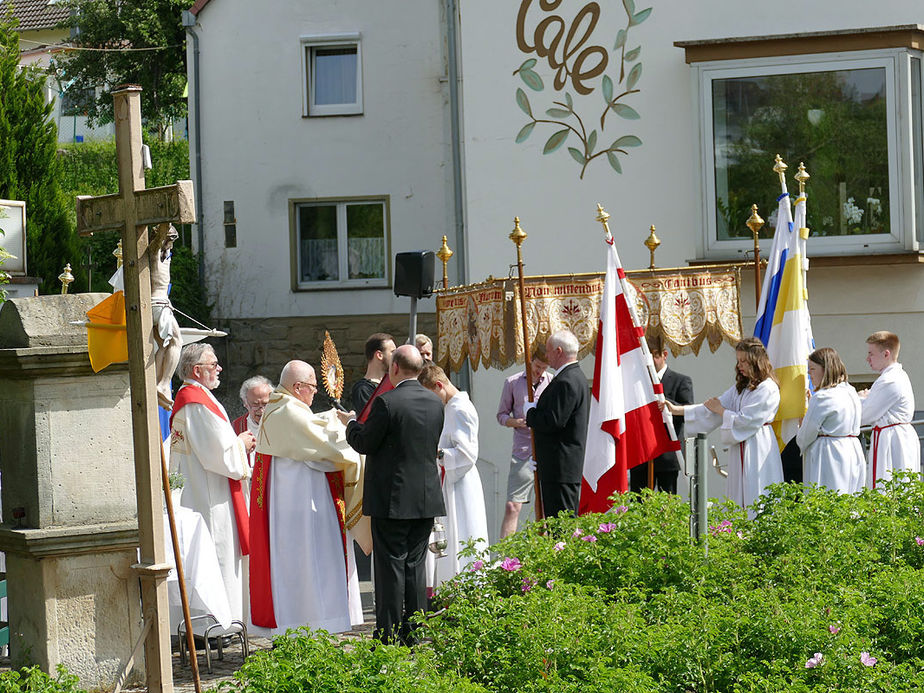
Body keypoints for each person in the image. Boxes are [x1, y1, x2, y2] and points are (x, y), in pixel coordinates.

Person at [339, 345, 445, 645]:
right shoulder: (435, 402)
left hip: (392, 498)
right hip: (425, 497)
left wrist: (349, 424)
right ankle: (414, 633)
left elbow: (365, 443)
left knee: (390, 569)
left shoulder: (387, 402)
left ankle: (387, 634)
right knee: (415, 566)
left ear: (394, 369)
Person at [249, 360, 363, 635]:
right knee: (310, 561)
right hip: (300, 504)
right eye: (312, 387)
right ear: (298, 387)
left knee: (303, 562)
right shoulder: (287, 410)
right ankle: (312, 622)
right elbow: (323, 445)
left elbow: (310, 425)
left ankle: (308, 622)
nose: (314, 392)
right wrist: (354, 432)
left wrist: (331, 417)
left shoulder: (281, 405)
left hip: (294, 500)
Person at [169, 343, 255, 623]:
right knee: (217, 555)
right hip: (211, 495)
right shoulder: (196, 402)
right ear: (197, 370)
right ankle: (218, 623)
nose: (219, 369)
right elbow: (217, 454)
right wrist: (240, 444)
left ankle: (218, 621)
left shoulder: (194, 397)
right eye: (214, 364)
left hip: (204, 488)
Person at [665, 337, 783, 512]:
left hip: (758, 445)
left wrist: (721, 411)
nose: (740, 365)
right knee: (738, 495)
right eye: (738, 361)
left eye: (744, 361)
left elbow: (746, 420)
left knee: (757, 491)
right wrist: (677, 410)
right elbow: (711, 408)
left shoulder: (767, 388)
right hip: (740, 447)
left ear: (756, 361)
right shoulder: (741, 388)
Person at [418, 364, 488, 587]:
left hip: (460, 481)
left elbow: (467, 454)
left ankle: (466, 588)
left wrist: (436, 453)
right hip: (450, 479)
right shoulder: (450, 406)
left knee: (463, 533)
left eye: (431, 395)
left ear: (439, 385)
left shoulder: (460, 409)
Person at [524, 330, 590, 519]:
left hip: (560, 469)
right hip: (557, 466)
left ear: (559, 351)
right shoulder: (573, 377)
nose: (547, 355)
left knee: (561, 529)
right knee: (560, 526)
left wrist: (531, 412)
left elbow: (553, 421)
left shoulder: (566, 381)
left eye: (548, 351)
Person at [496, 345, 552, 538]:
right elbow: (501, 415)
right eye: (537, 366)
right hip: (522, 450)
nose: (539, 371)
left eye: (544, 368)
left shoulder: (552, 382)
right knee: (513, 506)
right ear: (530, 361)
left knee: (544, 509)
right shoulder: (512, 382)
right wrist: (516, 422)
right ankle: (505, 557)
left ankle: (544, 553)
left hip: (545, 449)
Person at [629, 335, 693, 495]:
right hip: (642, 454)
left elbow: (688, 411)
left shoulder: (681, 380)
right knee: (639, 503)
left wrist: (666, 403)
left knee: (668, 505)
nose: (650, 361)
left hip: (667, 455)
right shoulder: (638, 383)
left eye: (654, 356)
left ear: (664, 355)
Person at [796, 347, 865, 494]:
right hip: (853, 451)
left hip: (829, 455)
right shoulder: (850, 391)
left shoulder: (822, 397)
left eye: (812, 369)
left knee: (829, 500)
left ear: (825, 369)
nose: (809, 373)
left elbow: (804, 437)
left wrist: (802, 419)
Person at [859, 331, 920, 488]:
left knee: (890, 487)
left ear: (886, 354)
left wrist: (861, 398)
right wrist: (865, 399)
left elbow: (864, 415)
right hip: (894, 437)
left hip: (893, 441)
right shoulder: (895, 376)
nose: (867, 359)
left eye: (871, 354)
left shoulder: (889, 380)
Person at [151, 224, 182, 410]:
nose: (172, 244)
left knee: (163, 345)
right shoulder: (155, 250)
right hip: (159, 306)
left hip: (156, 305)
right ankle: (165, 382)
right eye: (171, 239)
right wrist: (165, 219)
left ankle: (155, 383)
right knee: (177, 341)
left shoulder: (161, 253)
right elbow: (160, 236)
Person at [232, 375, 274, 501]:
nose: (261, 411)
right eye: (255, 405)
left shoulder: (281, 425)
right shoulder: (235, 427)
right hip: (248, 489)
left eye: (265, 404)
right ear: (245, 403)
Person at [349, 333, 396, 413]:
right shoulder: (363, 389)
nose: (396, 356)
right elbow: (370, 420)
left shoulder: (393, 383)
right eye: (393, 352)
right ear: (379, 355)